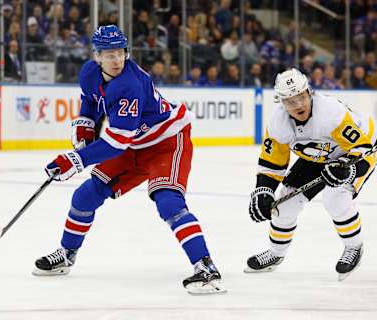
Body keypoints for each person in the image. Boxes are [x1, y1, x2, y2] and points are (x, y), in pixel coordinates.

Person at [32, 25, 226, 294]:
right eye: (109, 54)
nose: (116, 60)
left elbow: (116, 142)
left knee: (168, 201)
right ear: (97, 56)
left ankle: (206, 267)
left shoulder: (129, 85)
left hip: (167, 141)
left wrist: (75, 159)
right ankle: (66, 254)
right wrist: (84, 126)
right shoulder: (89, 72)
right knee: (85, 195)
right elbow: (90, 100)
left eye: (120, 52)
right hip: (135, 142)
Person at [246, 68, 376, 281]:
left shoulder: (330, 113)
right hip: (319, 155)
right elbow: (272, 163)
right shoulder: (278, 123)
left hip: (355, 151)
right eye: (290, 101)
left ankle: (354, 247)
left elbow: (361, 147)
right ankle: (276, 254)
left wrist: (346, 166)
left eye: (301, 97)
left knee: (335, 197)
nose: (298, 105)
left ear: (309, 92)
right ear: (281, 102)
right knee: (284, 204)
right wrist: (263, 190)